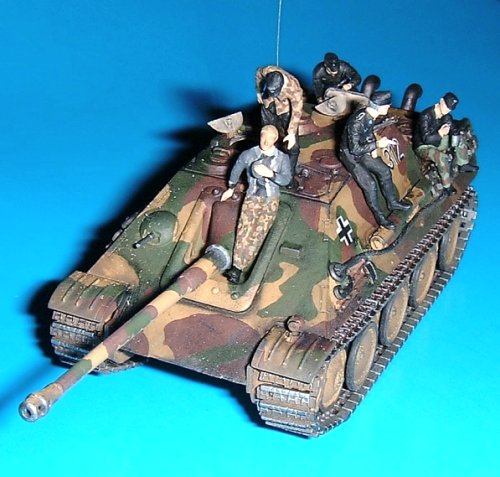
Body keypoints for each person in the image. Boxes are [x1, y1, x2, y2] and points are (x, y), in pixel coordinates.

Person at [221, 125, 292, 284]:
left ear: (275, 140)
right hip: (252, 196)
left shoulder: (282, 158)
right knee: (244, 229)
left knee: (258, 232)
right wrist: (231, 188)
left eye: (270, 139)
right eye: (263, 137)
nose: (266, 142)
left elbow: (286, 179)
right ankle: (236, 267)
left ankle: (242, 265)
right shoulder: (249, 154)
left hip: (270, 200)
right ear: (260, 136)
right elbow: (236, 168)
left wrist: (271, 174)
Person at [339, 91, 411, 230]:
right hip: (350, 156)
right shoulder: (357, 122)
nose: (388, 108)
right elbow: (354, 149)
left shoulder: (370, 116)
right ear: (379, 107)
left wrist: (373, 146)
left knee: (384, 170)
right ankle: (380, 218)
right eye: (387, 106)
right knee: (370, 184)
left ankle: (392, 202)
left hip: (364, 150)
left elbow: (368, 132)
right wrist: (377, 144)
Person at [413, 92, 474, 195]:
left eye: (449, 109)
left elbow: (454, 129)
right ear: (441, 101)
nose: (447, 110)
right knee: (441, 158)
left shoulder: (446, 116)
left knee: (459, 139)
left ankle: (463, 164)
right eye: (446, 106)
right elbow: (426, 139)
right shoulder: (425, 116)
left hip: (438, 142)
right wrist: (440, 133)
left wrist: (455, 133)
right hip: (423, 146)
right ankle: (447, 185)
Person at [256, 65, 303, 176]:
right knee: (267, 135)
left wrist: (291, 133)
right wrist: (259, 91)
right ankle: (267, 163)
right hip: (268, 105)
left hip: (286, 110)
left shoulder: (294, 88)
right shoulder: (267, 70)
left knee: (293, 147)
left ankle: (288, 174)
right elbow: (258, 74)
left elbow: (297, 111)